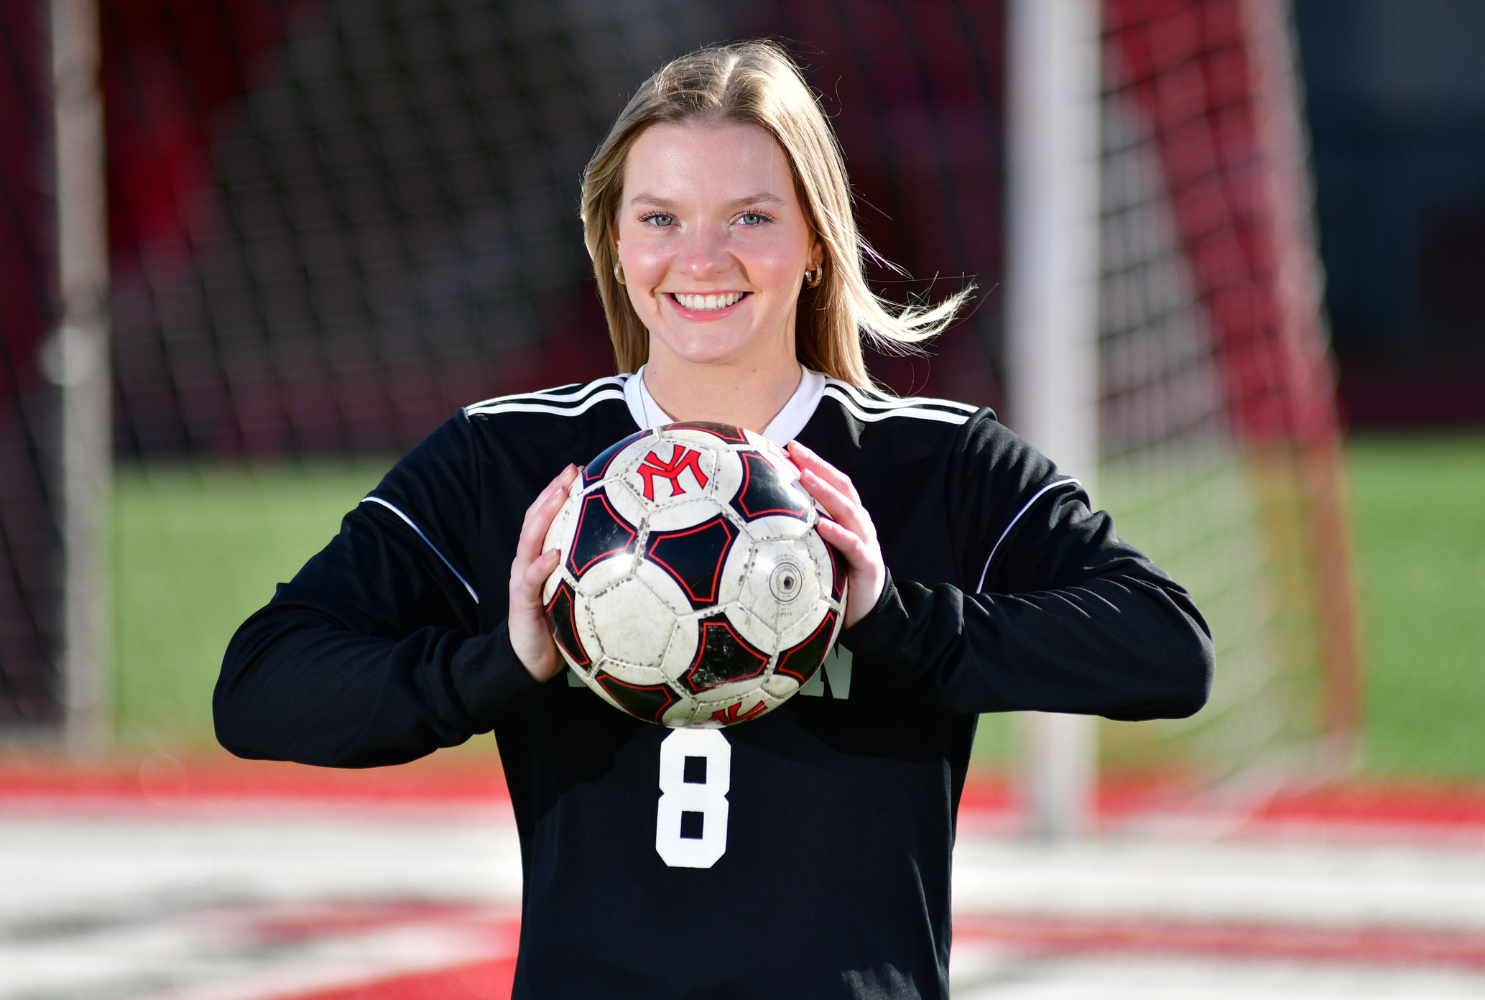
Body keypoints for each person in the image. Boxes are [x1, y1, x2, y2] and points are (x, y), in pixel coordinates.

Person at [214, 41, 1212, 999]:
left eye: (748, 217)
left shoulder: (935, 462)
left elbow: (1169, 650)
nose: (699, 257)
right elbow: (261, 687)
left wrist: (897, 618)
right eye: (659, 218)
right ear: (612, 240)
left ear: (817, 241)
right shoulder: (510, 460)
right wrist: (500, 663)